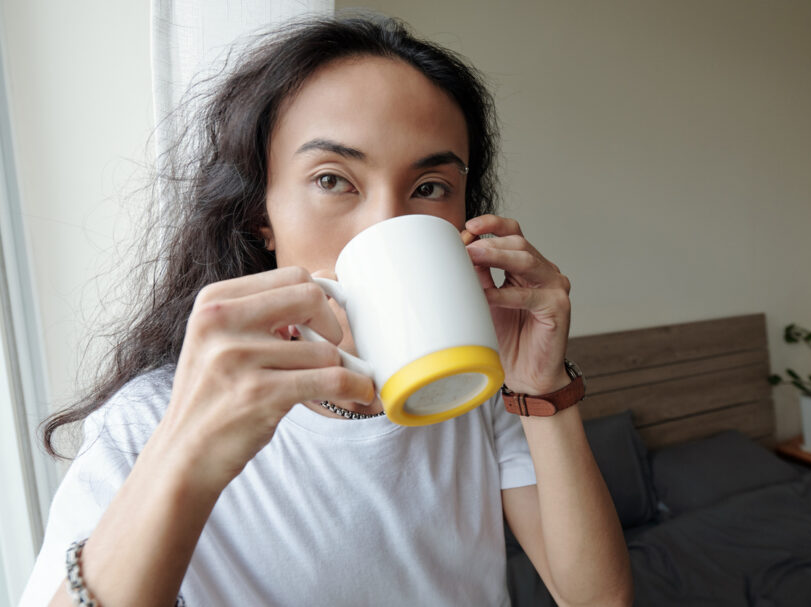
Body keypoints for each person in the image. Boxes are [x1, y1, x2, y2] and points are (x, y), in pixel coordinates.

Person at [22, 15, 632, 607]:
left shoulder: (471, 389)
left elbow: (599, 599)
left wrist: (539, 387)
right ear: (261, 213)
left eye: (429, 188)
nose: (387, 223)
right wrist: (186, 451)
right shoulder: (150, 422)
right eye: (333, 180)